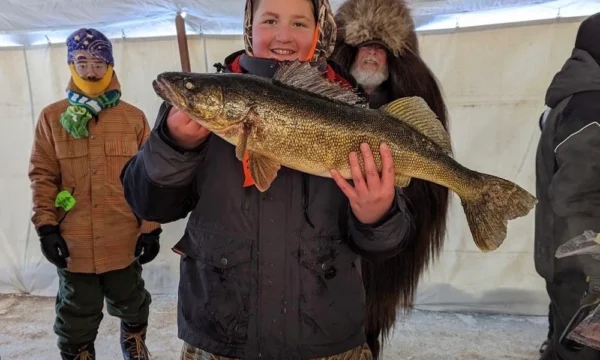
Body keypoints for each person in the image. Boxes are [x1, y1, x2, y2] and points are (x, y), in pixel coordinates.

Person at [120, 0, 416, 359]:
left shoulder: (352, 108)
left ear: (320, 29)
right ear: (249, 24)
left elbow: (389, 245)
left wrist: (378, 215)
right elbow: (147, 203)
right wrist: (174, 145)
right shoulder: (183, 120)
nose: (283, 36)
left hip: (327, 340)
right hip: (221, 338)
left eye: (299, 23)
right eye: (270, 20)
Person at [28, 28, 162, 360]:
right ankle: (78, 352)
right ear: (71, 64)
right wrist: (47, 227)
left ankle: (133, 342)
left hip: (122, 238)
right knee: (77, 311)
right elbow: (43, 176)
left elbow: (149, 178)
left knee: (131, 300)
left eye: (99, 62)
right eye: (82, 61)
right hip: (75, 242)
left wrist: (150, 228)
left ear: (111, 66)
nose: (90, 70)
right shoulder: (52, 118)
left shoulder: (133, 119)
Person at [330, 0, 452, 357]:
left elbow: (434, 180)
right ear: (346, 49)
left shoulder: (420, 94)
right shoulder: (324, 88)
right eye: (364, 46)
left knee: (370, 324)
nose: (371, 56)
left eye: (381, 49)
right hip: (330, 235)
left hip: (395, 235)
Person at [534, 12, 600, 360]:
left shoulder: (576, 99)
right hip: (587, 273)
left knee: (565, 344)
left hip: (573, 268)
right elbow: (577, 200)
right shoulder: (590, 104)